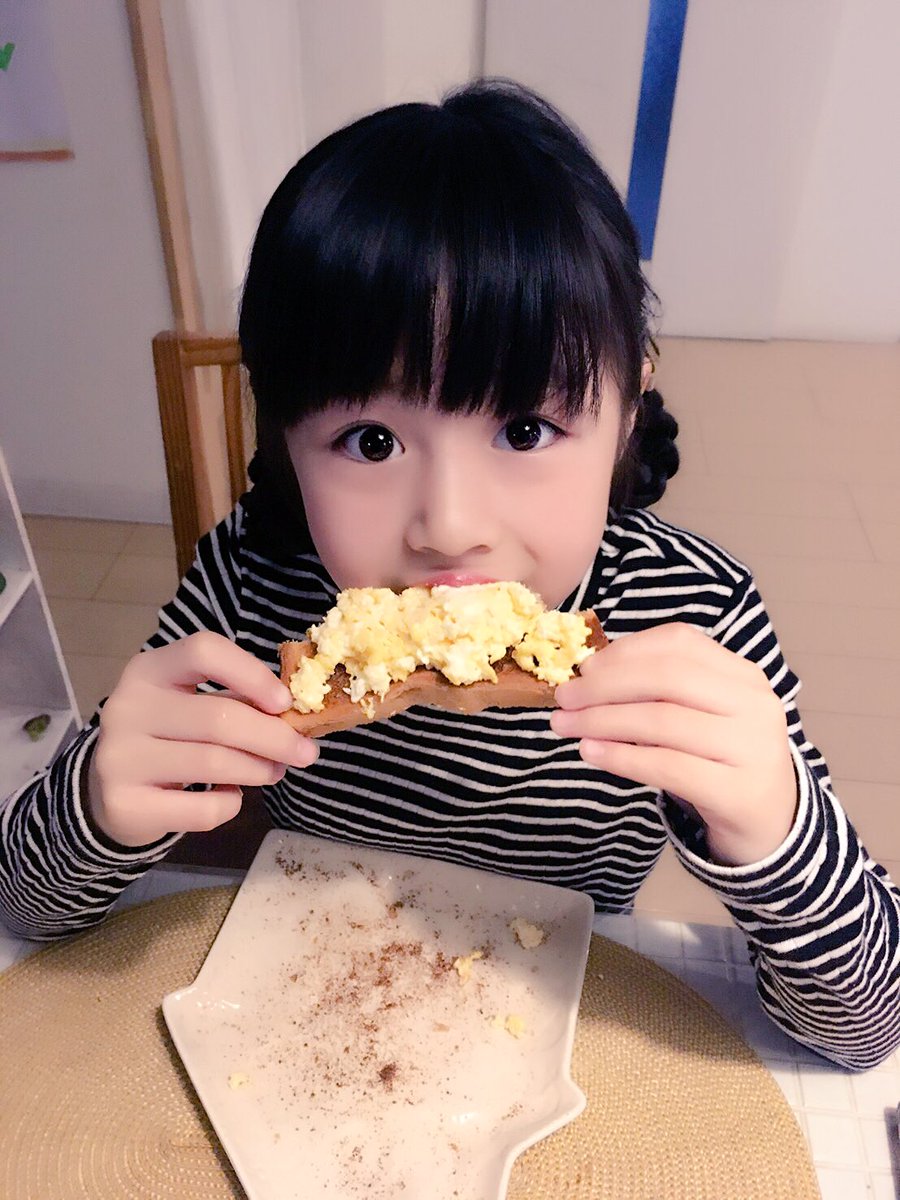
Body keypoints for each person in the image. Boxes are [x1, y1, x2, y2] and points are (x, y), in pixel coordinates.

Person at [1, 80, 897, 1072]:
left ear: (627, 411)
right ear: (287, 441)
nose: (451, 528)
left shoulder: (698, 615)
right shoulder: (251, 585)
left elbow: (867, 1030)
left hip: (561, 1021)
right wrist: (95, 801)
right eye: (370, 440)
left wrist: (779, 834)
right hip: (316, 1016)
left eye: (527, 429)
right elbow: (21, 907)